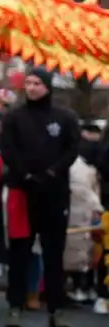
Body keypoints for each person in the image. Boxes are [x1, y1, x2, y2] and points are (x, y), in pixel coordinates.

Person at [0, 67, 80, 327]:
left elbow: (72, 149)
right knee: (20, 253)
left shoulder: (65, 117)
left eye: (37, 83)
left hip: (55, 194)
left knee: (54, 254)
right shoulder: (13, 118)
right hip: (23, 194)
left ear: (47, 86)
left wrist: (51, 173)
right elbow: (7, 150)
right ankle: (14, 306)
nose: (31, 87)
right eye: (28, 83)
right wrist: (25, 175)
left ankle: (56, 309)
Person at [64, 124, 103, 303]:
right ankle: (85, 287)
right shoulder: (87, 158)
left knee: (76, 250)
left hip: (76, 209)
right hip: (87, 208)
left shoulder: (73, 157)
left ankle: (80, 287)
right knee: (87, 250)